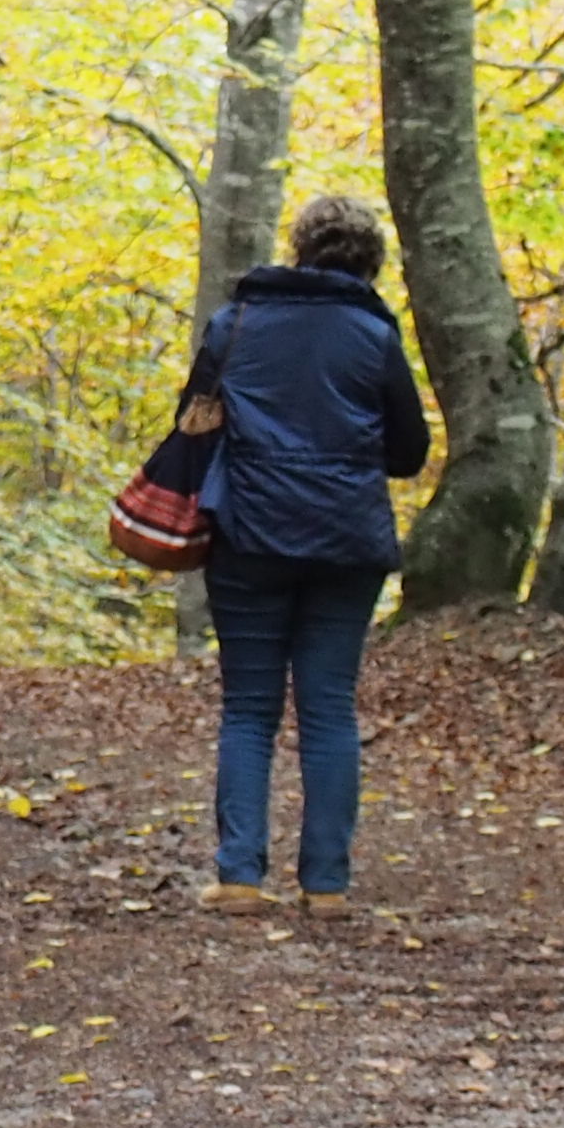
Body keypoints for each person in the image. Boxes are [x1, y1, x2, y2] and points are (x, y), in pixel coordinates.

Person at [185, 193, 429, 912]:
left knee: (249, 709)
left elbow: (193, 421)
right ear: (371, 262)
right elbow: (410, 452)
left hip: (248, 536)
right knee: (329, 709)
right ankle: (326, 887)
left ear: (298, 249)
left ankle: (238, 876)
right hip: (347, 541)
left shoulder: (237, 324)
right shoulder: (374, 335)